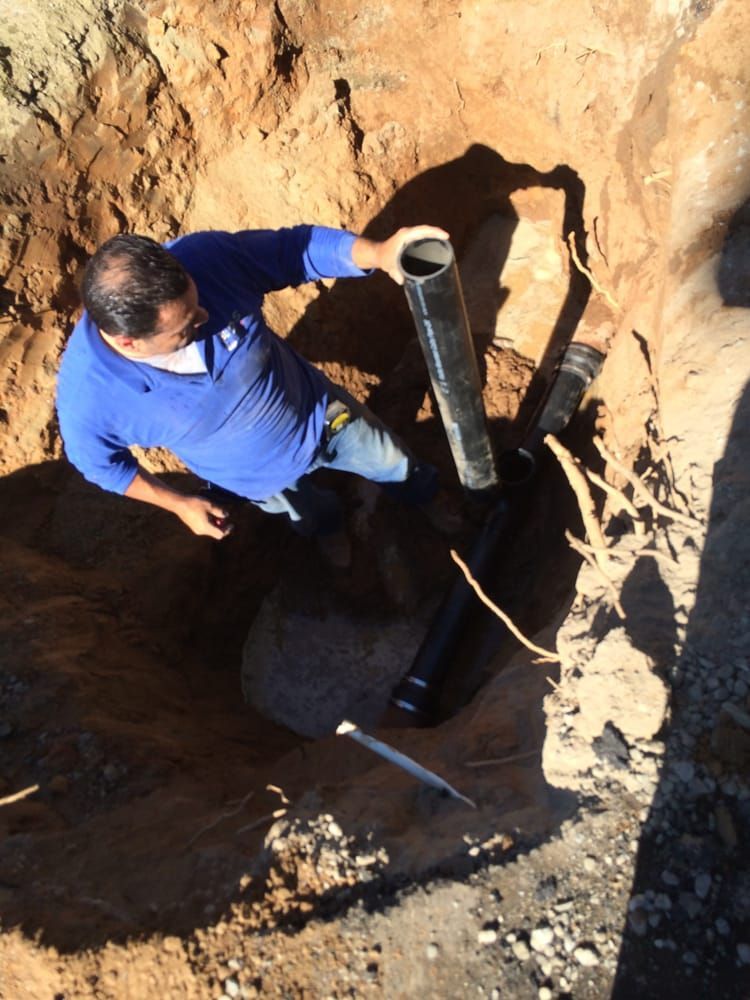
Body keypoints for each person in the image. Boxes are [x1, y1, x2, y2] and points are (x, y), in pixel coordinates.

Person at [56, 223, 449, 562]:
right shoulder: (88, 400)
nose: (206, 317)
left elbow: (292, 251)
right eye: (187, 326)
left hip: (321, 415)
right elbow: (100, 465)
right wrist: (179, 505)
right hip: (260, 482)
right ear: (130, 344)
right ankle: (330, 529)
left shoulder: (206, 259)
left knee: (391, 459)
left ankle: (426, 496)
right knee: (309, 517)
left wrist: (378, 253)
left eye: (197, 302)